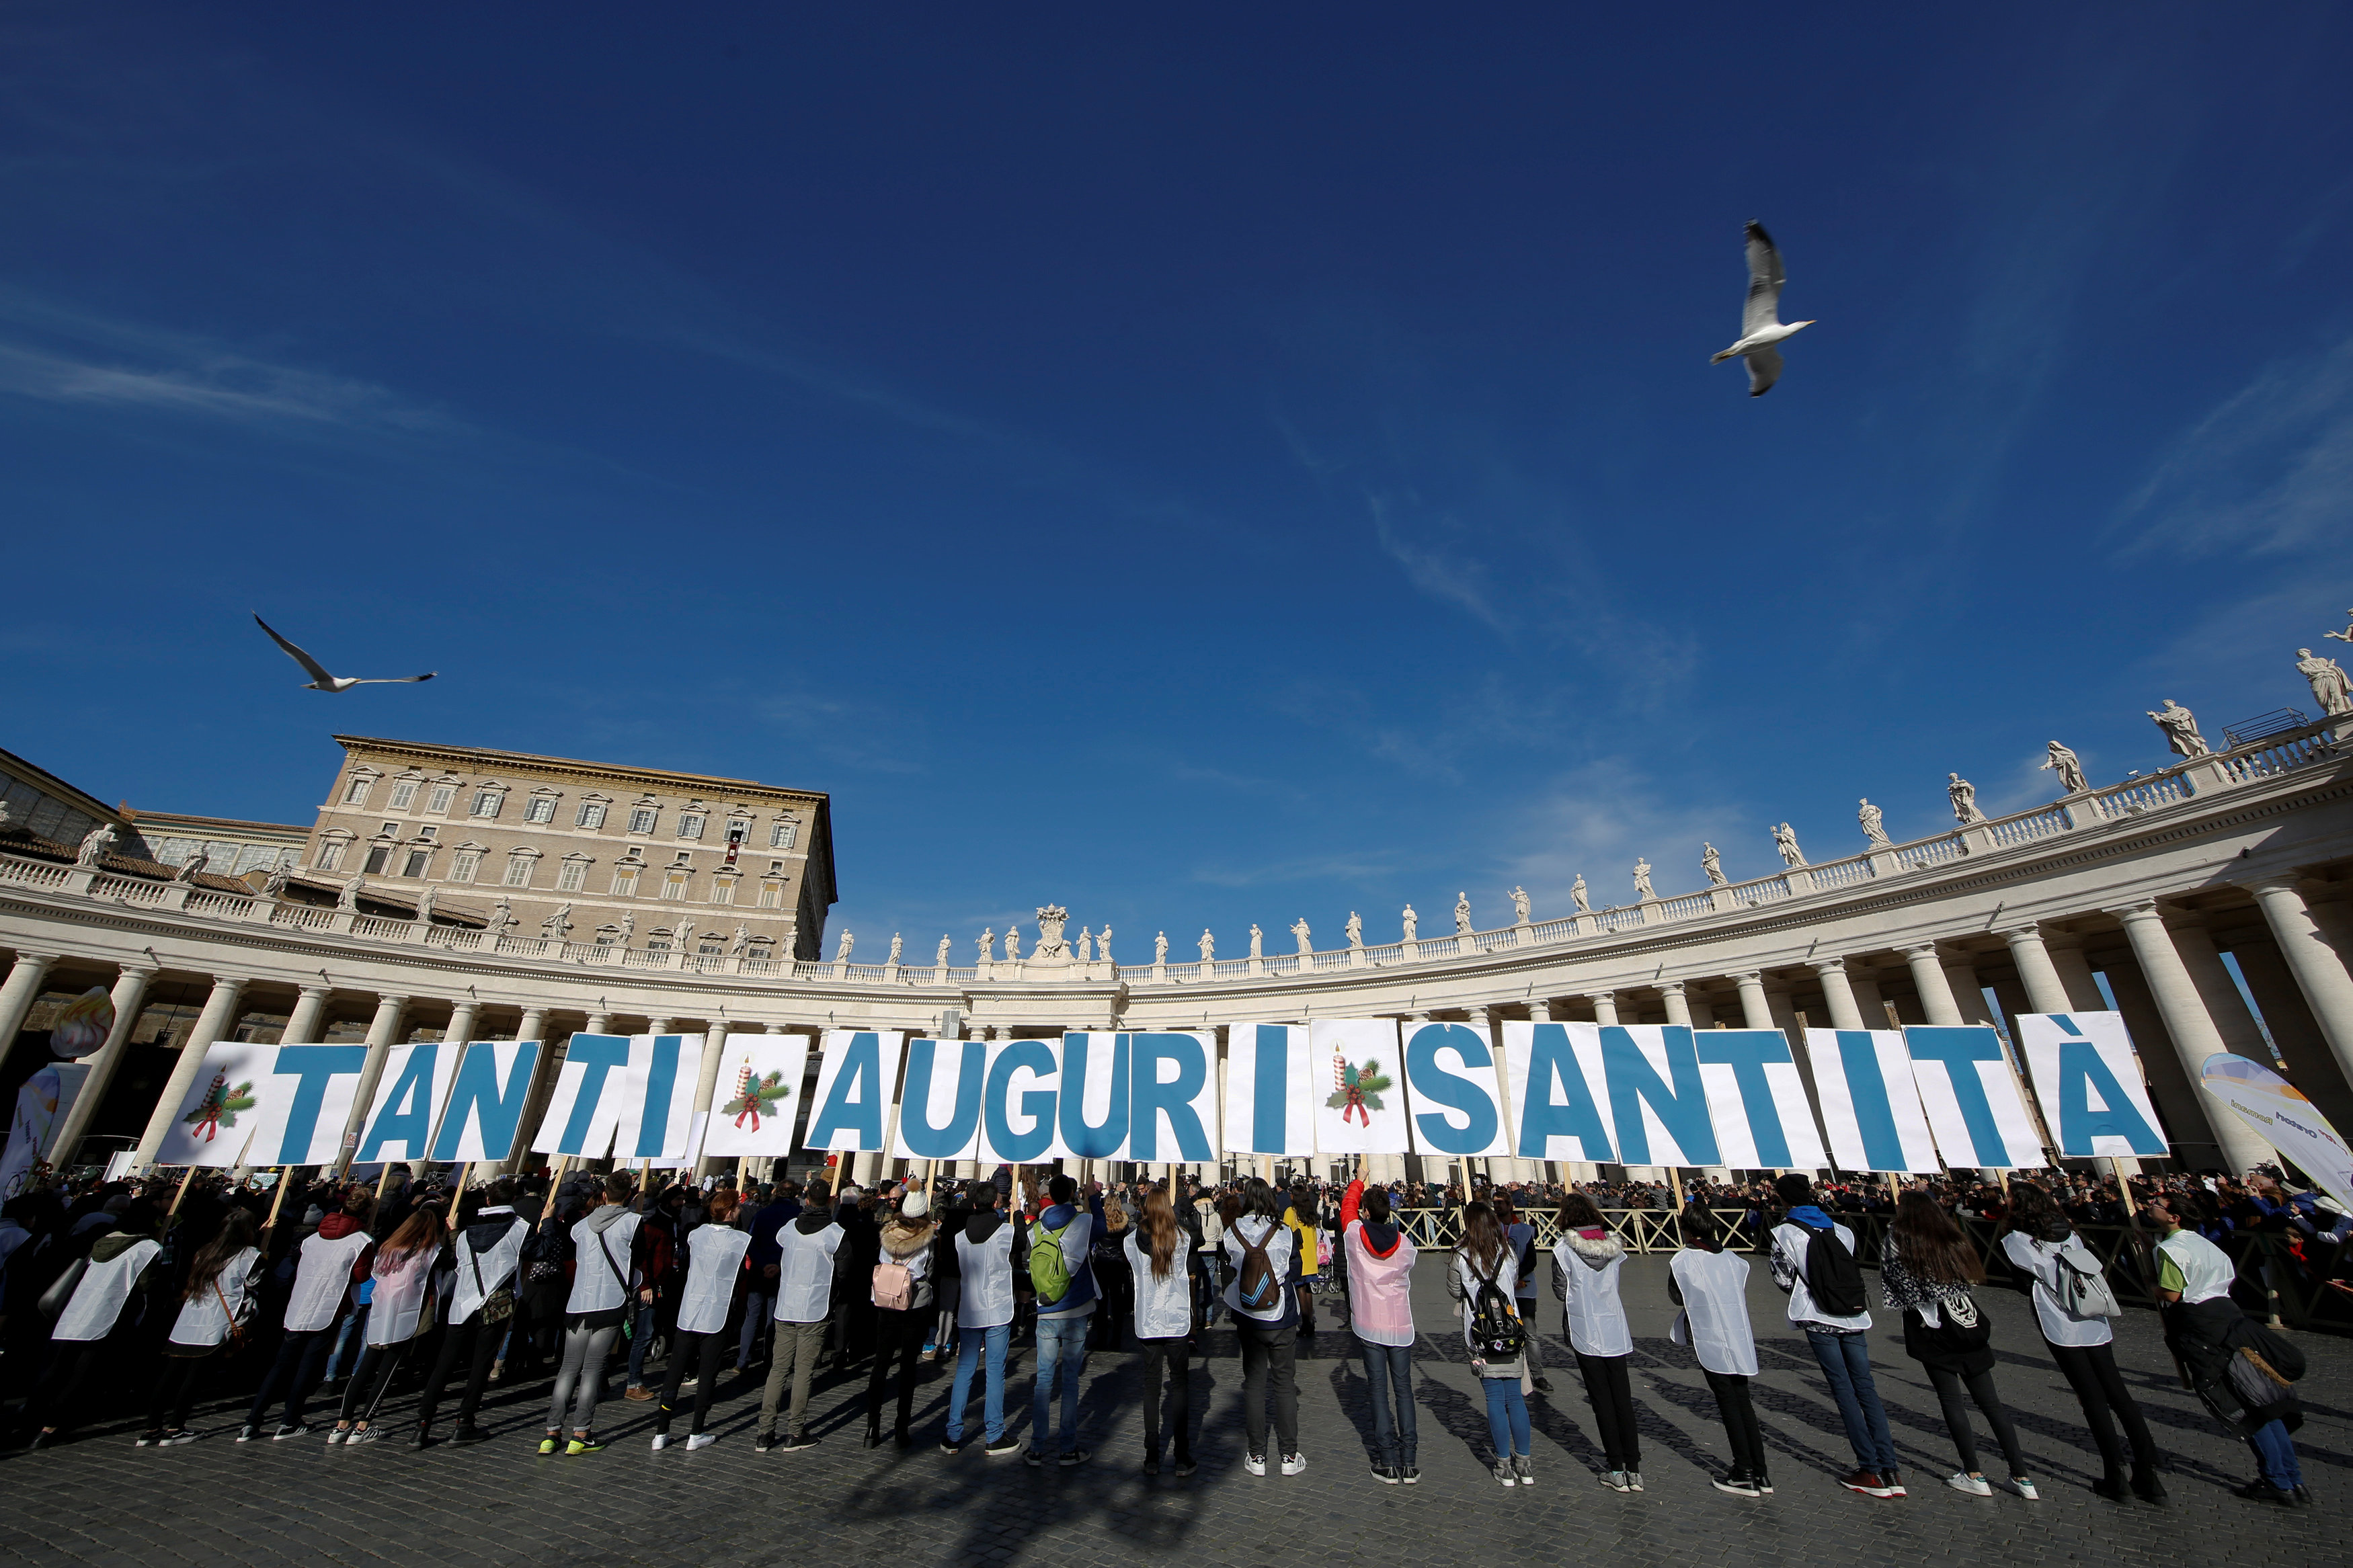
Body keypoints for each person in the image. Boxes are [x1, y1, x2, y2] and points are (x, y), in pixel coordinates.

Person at [2000, 1182, 2165, 1503]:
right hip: (2091, 1313)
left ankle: (2115, 1473)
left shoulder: (2017, 1240)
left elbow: (2022, 1282)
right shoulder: (2069, 1231)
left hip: (2060, 1318)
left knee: (2091, 1396)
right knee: (2118, 1391)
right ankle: (2149, 1473)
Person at [2147, 1191, 2303, 1504]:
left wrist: (2152, 1286)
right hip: (2229, 1315)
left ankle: (2278, 1481)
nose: (2150, 1206)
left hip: (2202, 1327)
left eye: (2157, 1205)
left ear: (2174, 1216)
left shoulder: (2171, 1249)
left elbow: (2173, 1294)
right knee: (2263, 1404)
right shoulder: (2204, 1243)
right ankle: (2292, 1479)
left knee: (2246, 1408)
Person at [1882, 1190, 2036, 1500]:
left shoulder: (1898, 1236)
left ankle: (1974, 1472)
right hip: (1964, 1317)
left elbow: (1899, 1282)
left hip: (1933, 1323)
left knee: (1951, 1400)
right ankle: (2022, 1475)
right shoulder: (1951, 1235)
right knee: (1991, 1403)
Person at [1769, 1173, 1903, 1497]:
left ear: (1784, 1199)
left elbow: (1784, 1280)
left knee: (1843, 1390)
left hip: (1819, 1316)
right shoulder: (1841, 1229)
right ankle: (1891, 1468)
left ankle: (1869, 1470)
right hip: (1854, 1315)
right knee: (1866, 1389)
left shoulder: (1784, 1232)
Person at [243, 1193, 374, 1440]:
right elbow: (360, 1276)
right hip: (330, 1305)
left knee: (282, 1365)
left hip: (301, 1304)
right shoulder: (361, 1241)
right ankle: (290, 1419)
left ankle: (253, 1420)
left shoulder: (312, 1239)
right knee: (307, 1366)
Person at [135, 1208, 263, 1446]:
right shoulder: (250, 1256)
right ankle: (176, 1427)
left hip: (191, 1318)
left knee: (171, 1374)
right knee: (192, 1378)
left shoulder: (205, 1252)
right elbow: (253, 1287)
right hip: (216, 1321)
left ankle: (152, 1427)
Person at [417, 1179, 529, 1448]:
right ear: (512, 1201)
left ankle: (422, 1425)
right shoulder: (521, 1230)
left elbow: (460, 1263)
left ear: (488, 1201)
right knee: (481, 1364)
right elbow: (541, 1251)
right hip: (495, 1302)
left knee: (444, 1365)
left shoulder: (466, 1233)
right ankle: (464, 1422)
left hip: (463, 1303)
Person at [543, 1173, 644, 1456]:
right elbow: (637, 1263)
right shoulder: (633, 1222)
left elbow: (566, 1244)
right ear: (629, 1194)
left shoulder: (580, 1226)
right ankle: (581, 1433)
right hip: (609, 1303)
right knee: (591, 1370)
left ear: (603, 1193)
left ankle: (551, 1432)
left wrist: (548, 1220)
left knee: (568, 1369)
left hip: (580, 1302)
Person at [1669, 1208, 1768, 1496]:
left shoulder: (1684, 1259)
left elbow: (1677, 1296)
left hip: (1710, 1335)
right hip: (1738, 1334)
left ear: (1687, 1230)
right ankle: (1760, 1472)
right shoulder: (1733, 1259)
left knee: (1728, 1403)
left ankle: (1744, 1471)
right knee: (1743, 1402)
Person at [333, 1201, 446, 1444]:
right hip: (404, 1311)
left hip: (382, 1309)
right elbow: (451, 1261)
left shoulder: (389, 1248)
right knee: (386, 1370)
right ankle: (363, 1426)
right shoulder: (429, 1253)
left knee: (365, 1368)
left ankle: (342, 1423)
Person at [654, 1187, 753, 1450]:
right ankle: (696, 1431)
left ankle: (661, 1431)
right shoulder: (740, 1240)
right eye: (738, 1207)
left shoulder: (696, 1235)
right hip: (716, 1310)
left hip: (691, 1307)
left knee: (675, 1370)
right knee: (707, 1373)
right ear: (731, 1211)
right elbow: (740, 1276)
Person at [756, 1176, 848, 1454]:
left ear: (807, 1200)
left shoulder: (790, 1229)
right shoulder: (835, 1234)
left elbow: (782, 1243)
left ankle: (765, 1431)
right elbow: (844, 1272)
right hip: (814, 1308)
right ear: (831, 1202)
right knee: (803, 1372)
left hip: (787, 1305)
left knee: (779, 1369)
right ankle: (795, 1432)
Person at [1551, 1192, 1635, 1490]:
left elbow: (1560, 1290)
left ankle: (1615, 1468)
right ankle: (1634, 1468)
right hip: (1614, 1324)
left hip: (1584, 1326)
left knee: (1601, 1400)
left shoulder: (1563, 1248)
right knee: (1623, 1398)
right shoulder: (1613, 1244)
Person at [1341, 1173, 1419, 1483]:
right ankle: (1409, 1462)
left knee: (1377, 1389)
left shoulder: (1355, 1233)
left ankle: (1386, 1460)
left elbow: (1347, 1207)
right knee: (1403, 1390)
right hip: (1400, 1323)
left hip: (1370, 1322)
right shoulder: (1405, 1243)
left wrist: (1358, 1182)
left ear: (1366, 1212)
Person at [1453, 1200, 1533, 1487]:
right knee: (1515, 1398)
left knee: (1495, 1399)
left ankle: (1503, 1464)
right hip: (1511, 1332)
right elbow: (1511, 1280)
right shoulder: (1508, 1252)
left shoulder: (1461, 1254)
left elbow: (1453, 1289)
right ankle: (1524, 1464)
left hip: (1480, 1335)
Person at [1226, 1178, 1304, 1476]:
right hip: (1281, 1315)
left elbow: (1230, 1267)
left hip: (1249, 1316)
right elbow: (1295, 1270)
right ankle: (1289, 1456)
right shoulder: (1284, 1232)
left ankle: (1257, 1456)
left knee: (1255, 1384)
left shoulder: (1233, 1231)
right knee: (1285, 1385)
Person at [942, 1178, 1023, 1456]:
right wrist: (1019, 1212)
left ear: (974, 1203)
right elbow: (1023, 1243)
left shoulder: (960, 1238)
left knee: (965, 1371)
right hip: (998, 1309)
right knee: (995, 1372)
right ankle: (994, 1433)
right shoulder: (1005, 1232)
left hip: (970, 1310)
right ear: (997, 1203)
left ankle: (953, 1433)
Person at [1026, 1173, 1100, 1467]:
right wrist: (1092, 1195)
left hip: (1045, 1309)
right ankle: (1068, 1447)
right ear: (1071, 1194)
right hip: (1074, 1309)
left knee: (1043, 1381)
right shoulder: (1083, 1221)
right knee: (1070, 1381)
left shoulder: (1038, 1228)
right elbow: (1105, 1228)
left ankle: (1036, 1447)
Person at [1125, 1187, 1196, 1476]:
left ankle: (1152, 1455)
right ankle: (1181, 1455)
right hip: (1177, 1318)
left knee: (1151, 1387)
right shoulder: (1182, 1238)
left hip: (1148, 1319)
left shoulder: (1132, 1241)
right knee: (1179, 1386)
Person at [865, 1186, 937, 1448]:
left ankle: (872, 1428)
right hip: (914, 1304)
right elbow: (929, 1271)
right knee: (907, 1367)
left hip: (886, 1301)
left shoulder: (887, 1234)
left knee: (881, 1364)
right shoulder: (928, 1240)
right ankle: (901, 1429)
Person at [1499, 1198, 1551, 1393]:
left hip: (1525, 1289)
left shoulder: (1526, 1230)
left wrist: (1516, 1277)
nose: (1497, 1207)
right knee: (1506, 1332)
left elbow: (1531, 1260)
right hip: (1504, 1291)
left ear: (1510, 1206)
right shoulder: (1493, 1230)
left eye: (1500, 1203)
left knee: (1530, 1334)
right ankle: (1514, 1372)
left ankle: (1538, 1374)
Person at [1283, 1183, 1320, 1335]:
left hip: (1299, 1256)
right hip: (1311, 1256)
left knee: (1300, 1289)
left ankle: (1305, 1323)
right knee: (1308, 1289)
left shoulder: (1291, 1212)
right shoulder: (1309, 1211)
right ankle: (1309, 1321)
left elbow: (1285, 1231)